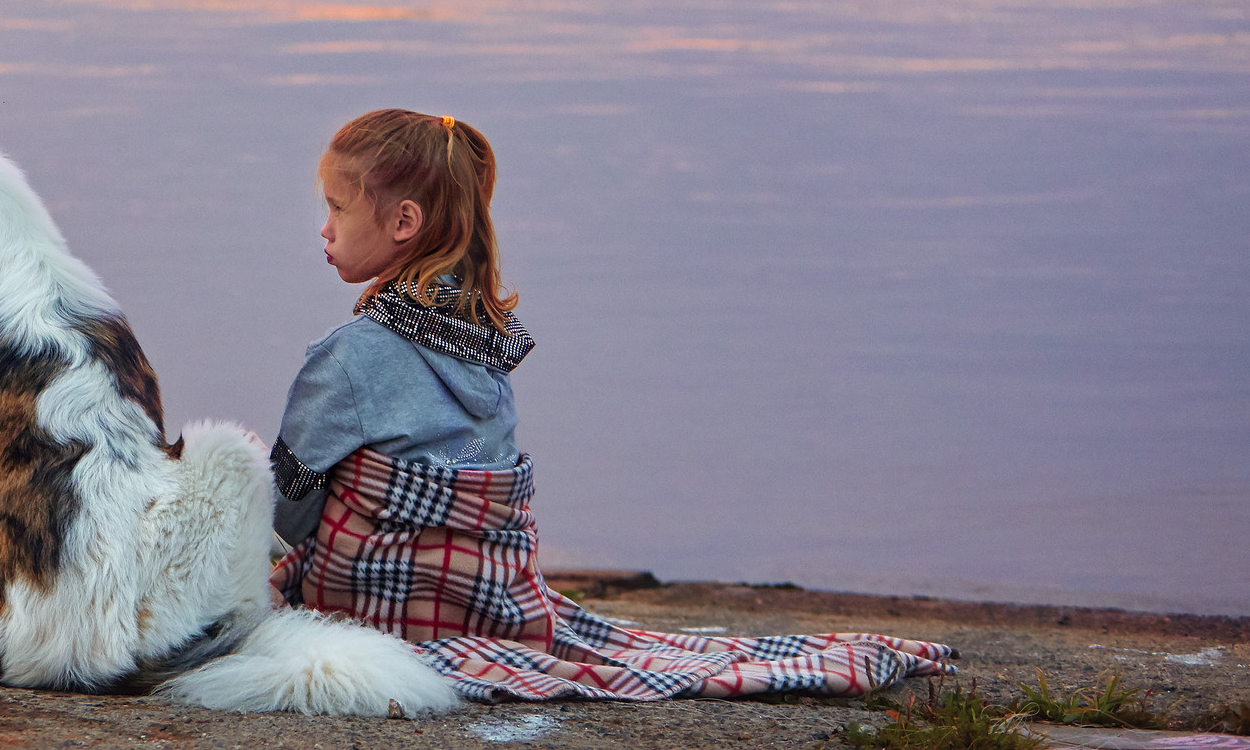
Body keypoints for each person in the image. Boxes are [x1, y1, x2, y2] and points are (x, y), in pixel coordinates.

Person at [268, 108, 956, 704]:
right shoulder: (486, 342)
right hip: (494, 597)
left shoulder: (347, 357)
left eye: (337, 207)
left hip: (384, 604)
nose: (323, 228)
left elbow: (288, 501)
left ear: (403, 222)